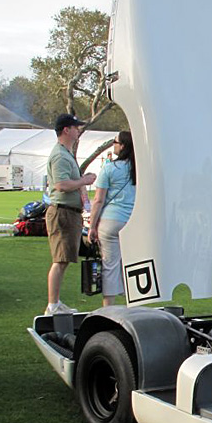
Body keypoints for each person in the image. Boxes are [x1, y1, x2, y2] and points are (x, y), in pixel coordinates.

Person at [45, 113, 96, 316]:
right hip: (62, 212)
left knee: (64, 259)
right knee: (60, 260)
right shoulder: (59, 155)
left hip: (70, 212)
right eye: (75, 127)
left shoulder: (66, 153)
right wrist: (84, 181)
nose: (78, 130)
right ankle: (52, 305)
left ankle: (56, 302)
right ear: (66, 130)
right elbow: (61, 185)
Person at [89, 131, 137, 307]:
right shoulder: (139, 169)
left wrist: (92, 226)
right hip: (132, 221)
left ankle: (109, 307)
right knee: (131, 265)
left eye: (115, 142)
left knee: (110, 265)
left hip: (111, 220)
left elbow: (99, 200)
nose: (113, 145)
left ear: (122, 146)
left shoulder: (110, 168)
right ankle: (132, 305)